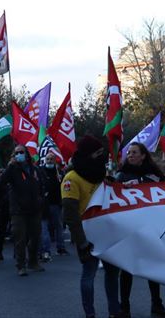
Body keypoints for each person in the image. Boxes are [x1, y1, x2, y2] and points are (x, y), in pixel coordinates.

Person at [62, 135, 121, 318]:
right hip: (87, 236)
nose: (101, 156)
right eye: (98, 153)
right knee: (89, 275)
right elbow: (70, 214)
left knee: (112, 274)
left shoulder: (100, 176)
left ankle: (114, 311)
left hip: (107, 233)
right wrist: (81, 242)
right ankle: (90, 313)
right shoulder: (71, 178)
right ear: (88, 154)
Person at [116, 143, 165, 318]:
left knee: (152, 267)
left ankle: (157, 304)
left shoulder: (154, 176)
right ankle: (124, 307)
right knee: (127, 269)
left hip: (151, 227)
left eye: (134, 152)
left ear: (143, 156)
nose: (130, 155)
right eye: (129, 153)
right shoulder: (121, 175)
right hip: (129, 228)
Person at [0, 145, 45, 276]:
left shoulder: (35, 169)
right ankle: (21, 265)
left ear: (27, 154)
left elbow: (42, 185)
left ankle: (33, 262)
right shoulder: (12, 170)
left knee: (35, 236)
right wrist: (10, 166)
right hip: (18, 211)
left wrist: (40, 199)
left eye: (21, 152)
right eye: (16, 153)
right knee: (20, 238)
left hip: (35, 209)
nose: (19, 154)